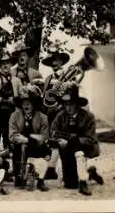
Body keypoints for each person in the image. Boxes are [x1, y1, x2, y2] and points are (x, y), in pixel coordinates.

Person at [50, 82, 103, 196]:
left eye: (71, 104)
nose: (68, 107)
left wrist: (70, 141)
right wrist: (59, 141)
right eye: (65, 104)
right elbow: (53, 133)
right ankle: (90, 173)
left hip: (84, 150)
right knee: (70, 184)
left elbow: (90, 140)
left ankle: (83, 183)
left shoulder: (89, 117)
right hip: (67, 152)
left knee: (79, 153)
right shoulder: (61, 116)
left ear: (77, 104)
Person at [9, 84, 51, 191]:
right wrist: (21, 140)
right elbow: (12, 135)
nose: (26, 105)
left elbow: (44, 137)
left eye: (29, 102)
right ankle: (21, 175)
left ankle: (40, 179)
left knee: (46, 151)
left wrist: (27, 140)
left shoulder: (43, 117)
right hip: (20, 149)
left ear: (34, 104)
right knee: (19, 184)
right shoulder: (14, 116)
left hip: (36, 148)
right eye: (23, 102)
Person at [40, 42, 71, 180]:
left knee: (66, 141)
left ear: (62, 61)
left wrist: (62, 104)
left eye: (57, 59)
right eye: (52, 60)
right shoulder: (48, 79)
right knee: (53, 141)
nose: (54, 63)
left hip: (66, 113)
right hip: (51, 114)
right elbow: (45, 97)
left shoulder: (69, 75)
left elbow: (73, 95)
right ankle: (51, 169)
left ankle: (69, 172)